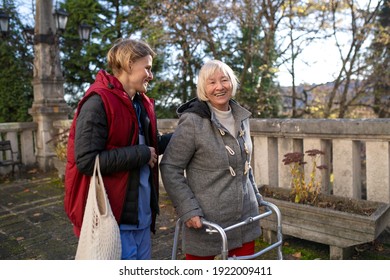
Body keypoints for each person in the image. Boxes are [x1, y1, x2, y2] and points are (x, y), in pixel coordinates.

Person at [64, 38, 171, 260]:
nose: (151, 75)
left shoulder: (140, 103)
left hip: (141, 216)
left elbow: (149, 145)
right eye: (147, 68)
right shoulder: (98, 102)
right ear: (129, 64)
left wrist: (186, 135)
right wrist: (141, 154)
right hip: (114, 219)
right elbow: (85, 160)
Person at [160, 59, 262, 260]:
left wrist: (256, 197)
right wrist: (188, 210)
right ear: (203, 88)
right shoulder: (193, 121)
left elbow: (245, 165)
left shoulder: (241, 117)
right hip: (207, 221)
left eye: (224, 80)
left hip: (245, 217)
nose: (219, 87)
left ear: (232, 83)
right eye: (212, 82)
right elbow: (170, 167)